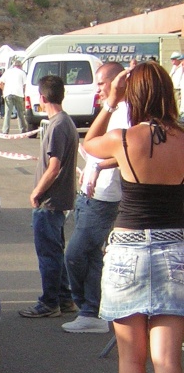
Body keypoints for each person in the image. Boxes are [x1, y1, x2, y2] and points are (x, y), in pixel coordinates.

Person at [83, 61, 184, 373]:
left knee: (131, 360)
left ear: (135, 96)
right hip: (175, 249)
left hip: (127, 250)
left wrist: (110, 102)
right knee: (169, 361)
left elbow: (89, 146)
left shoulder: (126, 139)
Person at [63, 62, 128, 334]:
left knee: (75, 255)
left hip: (104, 199)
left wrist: (100, 166)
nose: (97, 89)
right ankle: (92, 311)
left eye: (101, 83)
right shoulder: (111, 111)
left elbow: (127, 150)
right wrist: (91, 169)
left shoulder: (125, 112)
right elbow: (92, 145)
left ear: (115, 83)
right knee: (90, 257)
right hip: (90, 195)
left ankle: (89, 308)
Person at [19, 75, 78, 318]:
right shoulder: (65, 123)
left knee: (48, 254)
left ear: (42, 98)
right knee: (56, 250)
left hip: (50, 201)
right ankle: (64, 298)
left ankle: (49, 302)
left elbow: (54, 166)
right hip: (58, 200)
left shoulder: (57, 126)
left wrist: (37, 191)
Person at [0, 59, 28, 134]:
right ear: (20, 66)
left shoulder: (8, 72)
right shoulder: (22, 73)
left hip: (8, 93)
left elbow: (1, 83)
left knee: (8, 113)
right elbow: (25, 85)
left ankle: (5, 130)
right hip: (18, 93)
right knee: (20, 113)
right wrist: (24, 94)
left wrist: (4, 91)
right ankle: (23, 129)